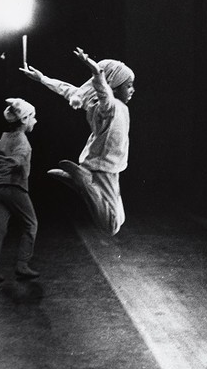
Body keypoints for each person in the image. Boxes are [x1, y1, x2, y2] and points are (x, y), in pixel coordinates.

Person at [20, 47, 135, 236]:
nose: (132, 90)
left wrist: (42, 79)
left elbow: (67, 90)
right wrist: (96, 71)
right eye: (128, 85)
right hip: (104, 165)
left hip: (107, 164)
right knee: (111, 226)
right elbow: (102, 89)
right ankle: (85, 183)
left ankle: (76, 180)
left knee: (119, 218)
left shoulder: (95, 103)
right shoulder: (109, 106)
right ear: (113, 85)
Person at [0, 98, 39, 282]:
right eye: (33, 118)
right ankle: (22, 264)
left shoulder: (4, 139)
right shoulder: (23, 140)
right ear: (25, 120)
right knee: (31, 224)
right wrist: (15, 161)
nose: (35, 121)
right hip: (14, 187)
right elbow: (20, 157)